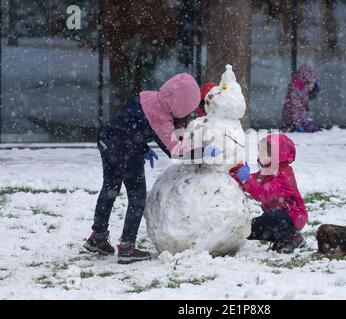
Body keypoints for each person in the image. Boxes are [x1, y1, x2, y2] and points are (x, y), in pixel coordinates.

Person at [84, 73, 218, 264]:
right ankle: (127, 247)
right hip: (126, 153)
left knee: (110, 189)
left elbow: (128, 124)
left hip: (107, 141)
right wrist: (203, 150)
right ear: (180, 105)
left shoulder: (148, 96)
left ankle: (97, 237)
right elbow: (176, 150)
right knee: (137, 198)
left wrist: (143, 147)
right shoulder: (161, 118)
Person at [229, 134, 308, 254]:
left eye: (262, 152)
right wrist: (234, 175)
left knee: (266, 221)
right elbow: (251, 182)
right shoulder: (267, 172)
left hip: (291, 217)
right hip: (276, 216)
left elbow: (264, 194)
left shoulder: (285, 176)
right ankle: (283, 239)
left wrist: (246, 179)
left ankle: (293, 237)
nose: (259, 155)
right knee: (253, 227)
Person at [282, 64, 321, 132]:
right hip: (293, 122)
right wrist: (297, 125)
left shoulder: (301, 88)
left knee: (316, 130)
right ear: (305, 80)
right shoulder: (294, 90)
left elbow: (307, 98)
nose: (310, 85)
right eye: (309, 82)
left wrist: (315, 91)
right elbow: (293, 109)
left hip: (299, 120)